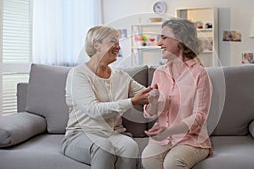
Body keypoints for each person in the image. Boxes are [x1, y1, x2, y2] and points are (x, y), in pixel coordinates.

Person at [62, 25, 151, 169]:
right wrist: (132, 102)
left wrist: (159, 92)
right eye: (113, 42)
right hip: (81, 134)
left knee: (130, 146)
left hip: (112, 134)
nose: (118, 47)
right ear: (96, 45)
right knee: (103, 147)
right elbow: (93, 110)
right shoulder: (78, 74)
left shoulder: (121, 76)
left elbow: (147, 94)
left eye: (118, 43)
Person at [141, 18, 213, 169]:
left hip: (191, 139)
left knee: (173, 163)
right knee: (148, 158)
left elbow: (199, 116)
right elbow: (150, 114)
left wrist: (169, 130)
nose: (159, 43)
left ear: (181, 40)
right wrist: (153, 102)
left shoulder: (199, 73)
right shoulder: (160, 72)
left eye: (164, 37)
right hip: (162, 140)